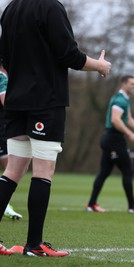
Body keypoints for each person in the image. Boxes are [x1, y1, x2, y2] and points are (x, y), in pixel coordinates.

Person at [0, 0, 111, 257]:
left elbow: (3, 56)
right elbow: (69, 54)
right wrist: (100, 66)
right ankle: (34, 245)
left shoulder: (11, 8)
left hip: (16, 102)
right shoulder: (50, 6)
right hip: (45, 102)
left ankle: (33, 244)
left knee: (13, 170)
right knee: (43, 170)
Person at [86, 75, 134, 213]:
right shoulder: (119, 100)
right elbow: (116, 120)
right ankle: (132, 205)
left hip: (110, 139)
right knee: (128, 170)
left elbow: (128, 119)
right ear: (123, 84)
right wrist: (130, 134)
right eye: (132, 84)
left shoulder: (124, 99)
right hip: (113, 140)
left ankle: (91, 204)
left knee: (104, 172)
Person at [0, 62, 22, 221]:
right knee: (11, 171)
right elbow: (6, 102)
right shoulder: (2, 77)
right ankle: (5, 204)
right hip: (2, 130)